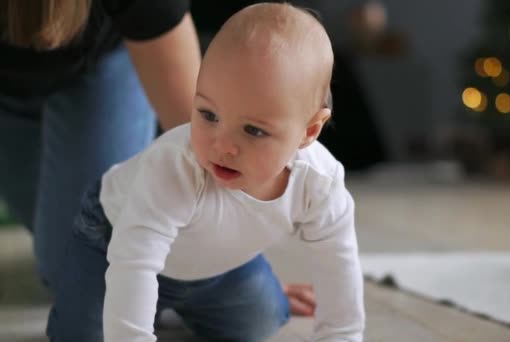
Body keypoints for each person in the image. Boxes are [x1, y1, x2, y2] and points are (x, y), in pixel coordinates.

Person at [46, 3, 365, 341]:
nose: (222, 146)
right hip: (112, 242)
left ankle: (178, 307)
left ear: (309, 132)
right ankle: (153, 308)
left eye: (254, 130)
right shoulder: (175, 167)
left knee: (262, 321)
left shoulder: (319, 182)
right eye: (209, 115)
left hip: (217, 268)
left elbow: (338, 263)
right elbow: (134, 263)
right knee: (82, 335)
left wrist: (342, 336)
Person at [0, 0, 315, 316]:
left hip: (103, 61)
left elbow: (200, 139)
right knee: (77, 259)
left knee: (82, 274)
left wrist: (240, 279)